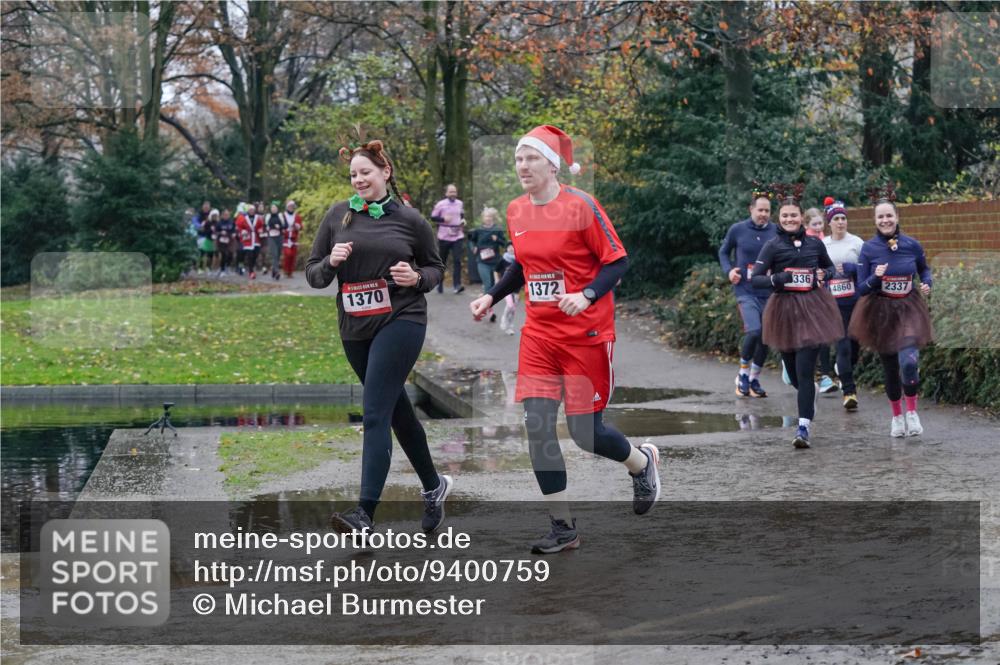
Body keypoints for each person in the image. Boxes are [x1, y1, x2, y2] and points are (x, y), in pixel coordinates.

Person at [469, 125, 660, 554]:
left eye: (531, 158)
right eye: (518, 159)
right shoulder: (516, 211)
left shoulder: (582, 206)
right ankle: (563, 528)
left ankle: (641, 463)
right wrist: (491, 296)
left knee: (584, 434)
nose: (522, 165)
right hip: (539, 335)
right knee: (537, 427)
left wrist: (586, 294)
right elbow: (521, 267)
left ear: (552, 165)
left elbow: (618, 262)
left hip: (585, 335)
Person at [305, 138, 451, 534]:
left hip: (401, 318)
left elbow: (436, 268)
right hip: (355, 326)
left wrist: (417, 278)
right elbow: (314, 273)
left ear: (385, 172)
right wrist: (331, 263)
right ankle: (434, 487)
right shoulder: (337, 216)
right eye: (353, 174)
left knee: (374, 414)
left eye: (365, 172)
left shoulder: (411, 220)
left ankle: (363, 514)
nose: (358, 180)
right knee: (397, 412)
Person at [750, 185, 843, 449]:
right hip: (784, 312)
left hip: (813, 310)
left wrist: (828, 275)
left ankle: (803, 428)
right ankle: (808, 394)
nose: (790, 220)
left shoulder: (815, 243)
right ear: (780, 218)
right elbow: (755, 279)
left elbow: (828, 266)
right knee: (792, 374)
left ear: (802, 217)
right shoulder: (772, 246)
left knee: (804, 372)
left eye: (794, 215)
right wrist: (778, 278)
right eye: (785, 216)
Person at [848, 190, 933, 437]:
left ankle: (912, 412)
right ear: (875, 221)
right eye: (880, 217)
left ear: (896, 217)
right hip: (880, 311)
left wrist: (927, 283)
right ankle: (897, 416)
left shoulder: (912, 245)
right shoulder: (869, 249)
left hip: (908, 307)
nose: (885, 220)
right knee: (890, 367)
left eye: (889, 216)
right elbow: (861, 289)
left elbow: (924, 271)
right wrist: (876, 278)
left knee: (908, 362)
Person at [718, 187, 778, 398]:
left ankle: (754, 378)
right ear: (751, 209)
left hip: (769, 292)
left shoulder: (776, 231)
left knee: (766, 337)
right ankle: (743, 373)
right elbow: (723, 252)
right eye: (759, 210)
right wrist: (729, 271)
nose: (763, 214)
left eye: (767, 211)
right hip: (745, 290)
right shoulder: (738, 229)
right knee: (754, 331)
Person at [822, 196, 865, 410]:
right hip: (833, 305)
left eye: (843, 218)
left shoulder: (857, 243)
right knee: (844, 345)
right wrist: (828, 275)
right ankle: (849, 391)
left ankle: (842, 369)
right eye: (836, 219)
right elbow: (817, 273)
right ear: (829, 223)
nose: (840, 222)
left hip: (855, 303)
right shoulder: (823, 245)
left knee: (854, 347)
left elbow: (867, 270)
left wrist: (852, 269)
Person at [804, 207, 838, 393]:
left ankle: (825, 375)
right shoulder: (806, 241)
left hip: (823, 291)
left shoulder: (823, 238)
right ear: (806, 225)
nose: (818, 227)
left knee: (824, 335)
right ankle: (813, 374)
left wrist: (826, 273)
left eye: (820, 223)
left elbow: (828, 266)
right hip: (807, 295)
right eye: (814, 224)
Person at [467, 206, 507, 322]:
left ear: (492, 218)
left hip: (495, 263)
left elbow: (505, 244)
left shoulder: (497, 229)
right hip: (482, 262)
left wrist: (497, 240)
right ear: (483, 218)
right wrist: (473, 247)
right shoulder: (478, 230)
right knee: (488, 284)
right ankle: (490, 311)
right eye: (486, 216)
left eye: (490, 216)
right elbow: (470, 239)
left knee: (492, 286)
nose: (488, 218)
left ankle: (482, 303)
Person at [430, 184, 466, 294]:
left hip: (457, 235)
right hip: (444, 235)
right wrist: (443, 218)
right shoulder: (441, 204)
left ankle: (457, 285)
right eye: (451, 192)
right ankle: (439, 284)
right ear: (446, 193)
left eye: (454, 192)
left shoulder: (460, 203)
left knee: (457, 261)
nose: (453, 194)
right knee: (442, 261)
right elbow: (433, 217)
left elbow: (461, 215)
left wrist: (463, 221)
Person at [495, 242, 519, 335]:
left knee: (513, 309)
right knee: (510, 305)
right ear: (506, 248)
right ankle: (503, 319)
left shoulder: (518, 260)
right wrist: (497, 280)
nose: (511, 249)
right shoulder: (503, 259)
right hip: (505, 286)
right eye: (509, 247)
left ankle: (510, 327)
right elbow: (496, 270)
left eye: (513, 247)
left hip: (516, 287)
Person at [236, 203, 264, 279]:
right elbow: (238, 226)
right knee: (249, 255)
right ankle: (251, 271)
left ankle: (250, 267)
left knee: (256, 254)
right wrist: (242, 231)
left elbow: (261, 225)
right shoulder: (243, 218)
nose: (251, 211)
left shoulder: (258, 218)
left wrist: (260, 230)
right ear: (248, 211)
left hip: (256, 239)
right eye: (250, 210)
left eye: (253, 210)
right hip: (247, 239)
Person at [282, 200, 303, 278]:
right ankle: (285, 270)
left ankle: (290, 272)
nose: (291, 208)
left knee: (293, 255)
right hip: (286, 238)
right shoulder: (283, 216)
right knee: (287, 254)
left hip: (294, 238)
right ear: (287, 207)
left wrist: (298, 226)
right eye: (289, 206)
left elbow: (301, 226)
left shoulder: (297, 216)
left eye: (292, 207)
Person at [265, 201, 286, 280]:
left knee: (278, 254)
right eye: (272, 208)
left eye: (275, 208)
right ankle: (277, 272)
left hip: (279, 237)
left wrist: (279, 227)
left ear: (277, 209)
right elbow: (265, 225)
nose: (273, 209)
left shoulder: (280, 216)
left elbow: (285, 225)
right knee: (274, 254)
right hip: (271, 237)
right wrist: (273, 226)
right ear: (270, 209)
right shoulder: (268, 216)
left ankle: (274, 270)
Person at [215, 208, 236, 276]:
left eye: (227, 215)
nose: (226, 216)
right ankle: (222, 269)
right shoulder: (219, 223)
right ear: (222, 215)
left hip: (229, 241)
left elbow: (234, 230)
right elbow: (215, 231)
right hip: (221, 241)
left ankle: (227, 267)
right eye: (225, 215)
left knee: (230, 254)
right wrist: (220, 232)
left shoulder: (231, 222)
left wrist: (234, 233)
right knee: (223, 255)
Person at [197, 208, 218, 274]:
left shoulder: (217, 223)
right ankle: (200, 268)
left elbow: (218, 230)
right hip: (206, 239)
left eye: (216, 216)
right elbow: (203, 230)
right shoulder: (207, 222)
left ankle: (208, 267)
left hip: (213, 241)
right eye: (214, 215)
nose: (215, 217)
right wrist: (210, 230)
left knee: (210, 255)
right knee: (202, 254)